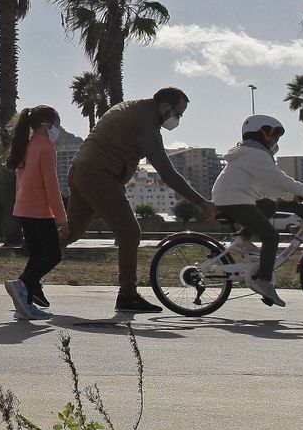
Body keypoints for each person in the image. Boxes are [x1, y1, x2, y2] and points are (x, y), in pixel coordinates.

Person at [66, 86, 220, 312]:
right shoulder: (146, 122)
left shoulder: (135, 108)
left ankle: (27, 280)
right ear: (166, 107)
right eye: (179, 113)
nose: (178, 119)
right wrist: (202, 202)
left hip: (83, 172)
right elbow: (167, 173)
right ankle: (127, 295)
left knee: (69, 233)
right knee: (130, 232)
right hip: (100, 176)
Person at [210, 114, 303, 307]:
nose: (275, 140)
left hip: (235, 197)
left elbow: (268, 187)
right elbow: (277, 178)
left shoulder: (249, 154)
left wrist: (295, 196)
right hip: (235, 199)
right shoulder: (256, 154)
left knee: (269, 204)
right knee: (271, 236)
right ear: (261, 132)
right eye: (274, 135)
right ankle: (263, 281)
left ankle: (242, 240)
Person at [3, 105, 69, 320]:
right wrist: (62, 219)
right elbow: (51, 186)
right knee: (53, 255)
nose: (56, 131)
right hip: (39, 210)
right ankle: (21, 283)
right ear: (46, 124)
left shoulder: (27, 146)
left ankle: (26, 305)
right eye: (56, 126)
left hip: (23, 208)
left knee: (38, 255)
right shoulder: (46, 147)